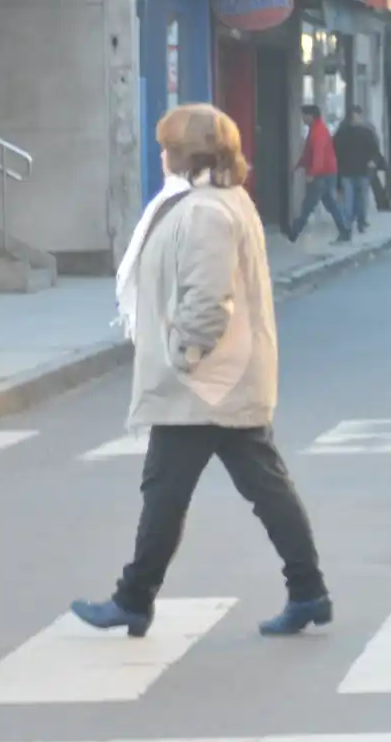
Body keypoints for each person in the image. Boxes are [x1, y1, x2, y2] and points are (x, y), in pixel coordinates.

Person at [72, 103, 333, 638]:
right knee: (259, 488)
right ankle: (308, 591)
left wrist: (182, 356)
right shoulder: (214, 202)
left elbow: (207, 301)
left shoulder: (206, 211)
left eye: (167, 146)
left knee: (168, 490)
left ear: (186, 153)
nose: (160, 155)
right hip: (221, 379)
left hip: (206, 382)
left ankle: (134, 598)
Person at [286, 104, 352, 244]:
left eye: (304, 115)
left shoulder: (319, 132)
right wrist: (299, 165)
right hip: (326, 172)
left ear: (311, 116)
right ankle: (345, 229)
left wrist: (312, 173)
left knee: (309, 204)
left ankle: (294, 233)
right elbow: (309, 153)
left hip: (322, 174)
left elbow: (318, 156)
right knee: (330, 204)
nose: (302, 118)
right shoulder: (315, 129)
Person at [332, 106, 385, 234]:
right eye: (353, 116)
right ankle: (348, 224)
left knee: (361, 200)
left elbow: (374, 150)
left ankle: (361, 221)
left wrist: (373, 161)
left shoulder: (367, 133)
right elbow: (335, 150)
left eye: (357, 116)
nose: (355, 119)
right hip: (347, 172)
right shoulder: (342, 133)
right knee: (348, 200)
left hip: (362, 172)